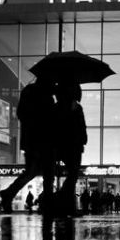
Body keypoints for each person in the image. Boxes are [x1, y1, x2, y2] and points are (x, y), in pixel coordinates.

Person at [0, 77, 56, 212]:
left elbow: (21, 114)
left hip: (34, 140)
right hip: (39, 140)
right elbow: (44, 118)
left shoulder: (31, 92)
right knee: (45, 172)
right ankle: (46, 204)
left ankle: (9, 193)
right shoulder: (41, 95)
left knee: (34, 172)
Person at [52, 81, 87, 215]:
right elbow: (81, 126)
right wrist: (83, 139)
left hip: (66, 145)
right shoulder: (75, 108)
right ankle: (64, 201)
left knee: (72, 174)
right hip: (72, 145)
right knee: (73, 174)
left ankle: (66, 203)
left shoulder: (58, 107)